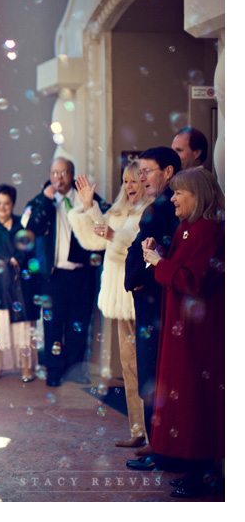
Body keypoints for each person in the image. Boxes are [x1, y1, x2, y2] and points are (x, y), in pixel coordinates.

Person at [130, 168, 224, 498]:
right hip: (180, 327)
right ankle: (192, 469)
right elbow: (180, 268)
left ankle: (203, 474)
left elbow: (194, 280)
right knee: (183, 397)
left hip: (198, 333)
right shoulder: (187, 227)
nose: (172, 199)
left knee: (195, 399)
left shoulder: (209, 229)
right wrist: (161, 254)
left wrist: (159, 262)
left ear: (197, 196)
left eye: (179, 193)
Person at [67, 162, 151, 448]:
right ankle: (138, 430)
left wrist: (115, 236)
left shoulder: (149, 212)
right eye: (125, 181)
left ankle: (155, 435)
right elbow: (93, 240)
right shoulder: (119, 212)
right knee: (129, 366)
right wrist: (87, 208)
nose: (129, 186)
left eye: (134, 181)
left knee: (146, 367)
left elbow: (140, 249)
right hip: (119, 299)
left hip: (139, 296)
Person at [21, 158, 104, 387]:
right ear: (50, 174)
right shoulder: (41, 201)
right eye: (55, 172)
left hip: (81, 273)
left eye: (64, 172)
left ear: (72, 174)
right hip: (53, 275)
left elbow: (103, 223)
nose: (59, 177)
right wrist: (47, 200)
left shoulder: (86, 197)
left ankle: (75, 370)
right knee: (53, 324)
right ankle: (54, 370)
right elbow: (31, 229)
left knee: (79, 323)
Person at [123, 147, 181, 459]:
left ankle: (160, 447)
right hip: (149, 299)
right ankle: (156, 442)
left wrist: (139, 275)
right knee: (148, 370)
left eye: (147, 171)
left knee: (153, 372)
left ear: (168, 172)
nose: (141, 177)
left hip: (157, 301)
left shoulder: (169, 205)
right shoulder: (159, 203)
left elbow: (161, 252)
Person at [0, 184, 39, 382]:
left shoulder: (20, 224)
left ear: (13, 204)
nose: (2, 207)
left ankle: (26, 366)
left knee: (22, 325)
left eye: (7, 204)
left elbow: (29, 247)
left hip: (17, 282)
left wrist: (18, 258)